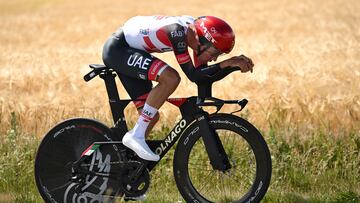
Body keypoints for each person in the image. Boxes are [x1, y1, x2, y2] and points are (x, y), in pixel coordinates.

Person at [102, 15, 254, 162]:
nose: (214, 59)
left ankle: (124, 167)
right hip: (119, 49)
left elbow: (203, 77)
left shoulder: (194, 33)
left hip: (132, 51)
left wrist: (231, 66)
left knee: (150, 117)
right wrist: (228, 63)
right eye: (214, 53)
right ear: (201, 40)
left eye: (218, 55)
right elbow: (193, 75)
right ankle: (135, 136)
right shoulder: (176, 32)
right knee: (171, 78)